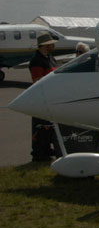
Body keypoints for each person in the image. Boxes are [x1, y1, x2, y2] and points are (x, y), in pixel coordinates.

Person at [29, 33, 59, 161]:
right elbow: (37, 80)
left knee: (51, 126)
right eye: (51, 44)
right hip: (42, 99)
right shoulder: (37, 61)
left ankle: (47, 148)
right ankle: (40, 151)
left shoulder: (50, 58)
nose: (53, 46)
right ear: (45, 46)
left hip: (51, 98)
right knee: (41, 126)